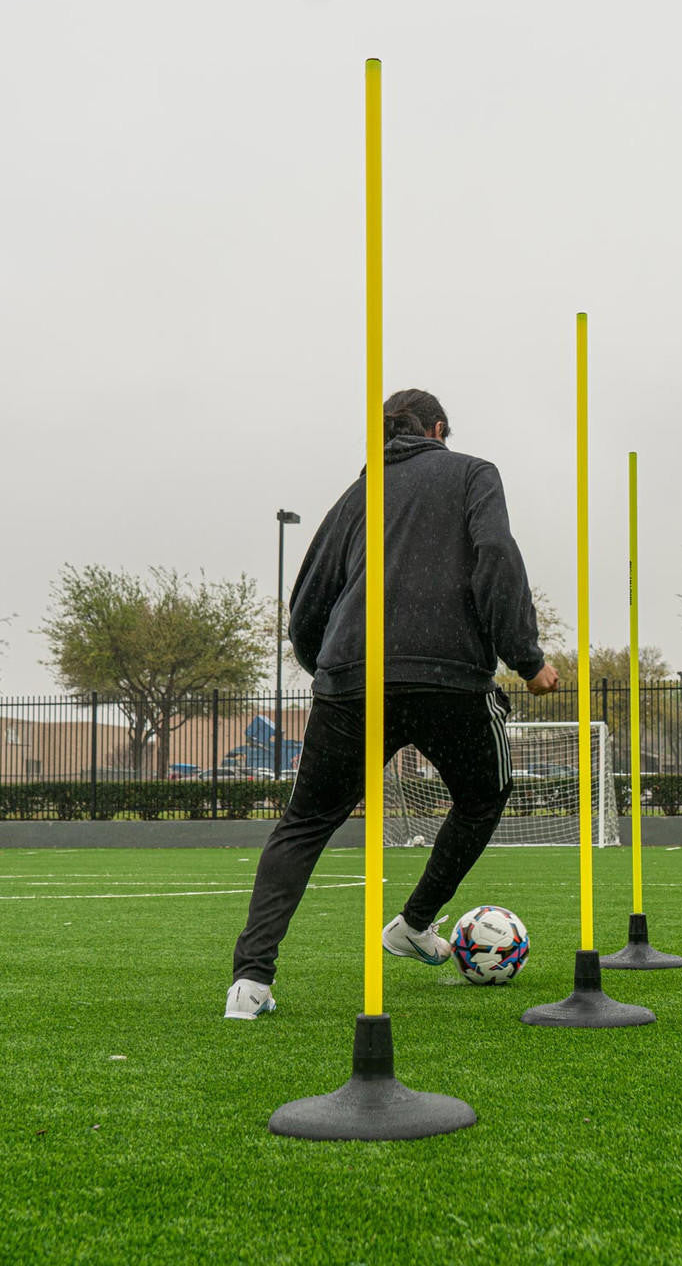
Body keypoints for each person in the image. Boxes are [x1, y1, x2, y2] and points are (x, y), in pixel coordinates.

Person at [226, 389, 559, 1018]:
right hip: (449, 679)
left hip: (352, 682)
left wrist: (330, 669)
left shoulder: (357, 496)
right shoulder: (472, 473)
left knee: (303, 825)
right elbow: (496, 556)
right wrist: (526, 658)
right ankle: (413, 924)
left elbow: (306, 606)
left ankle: (249, 985)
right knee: (483, 796)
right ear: (438, 429)